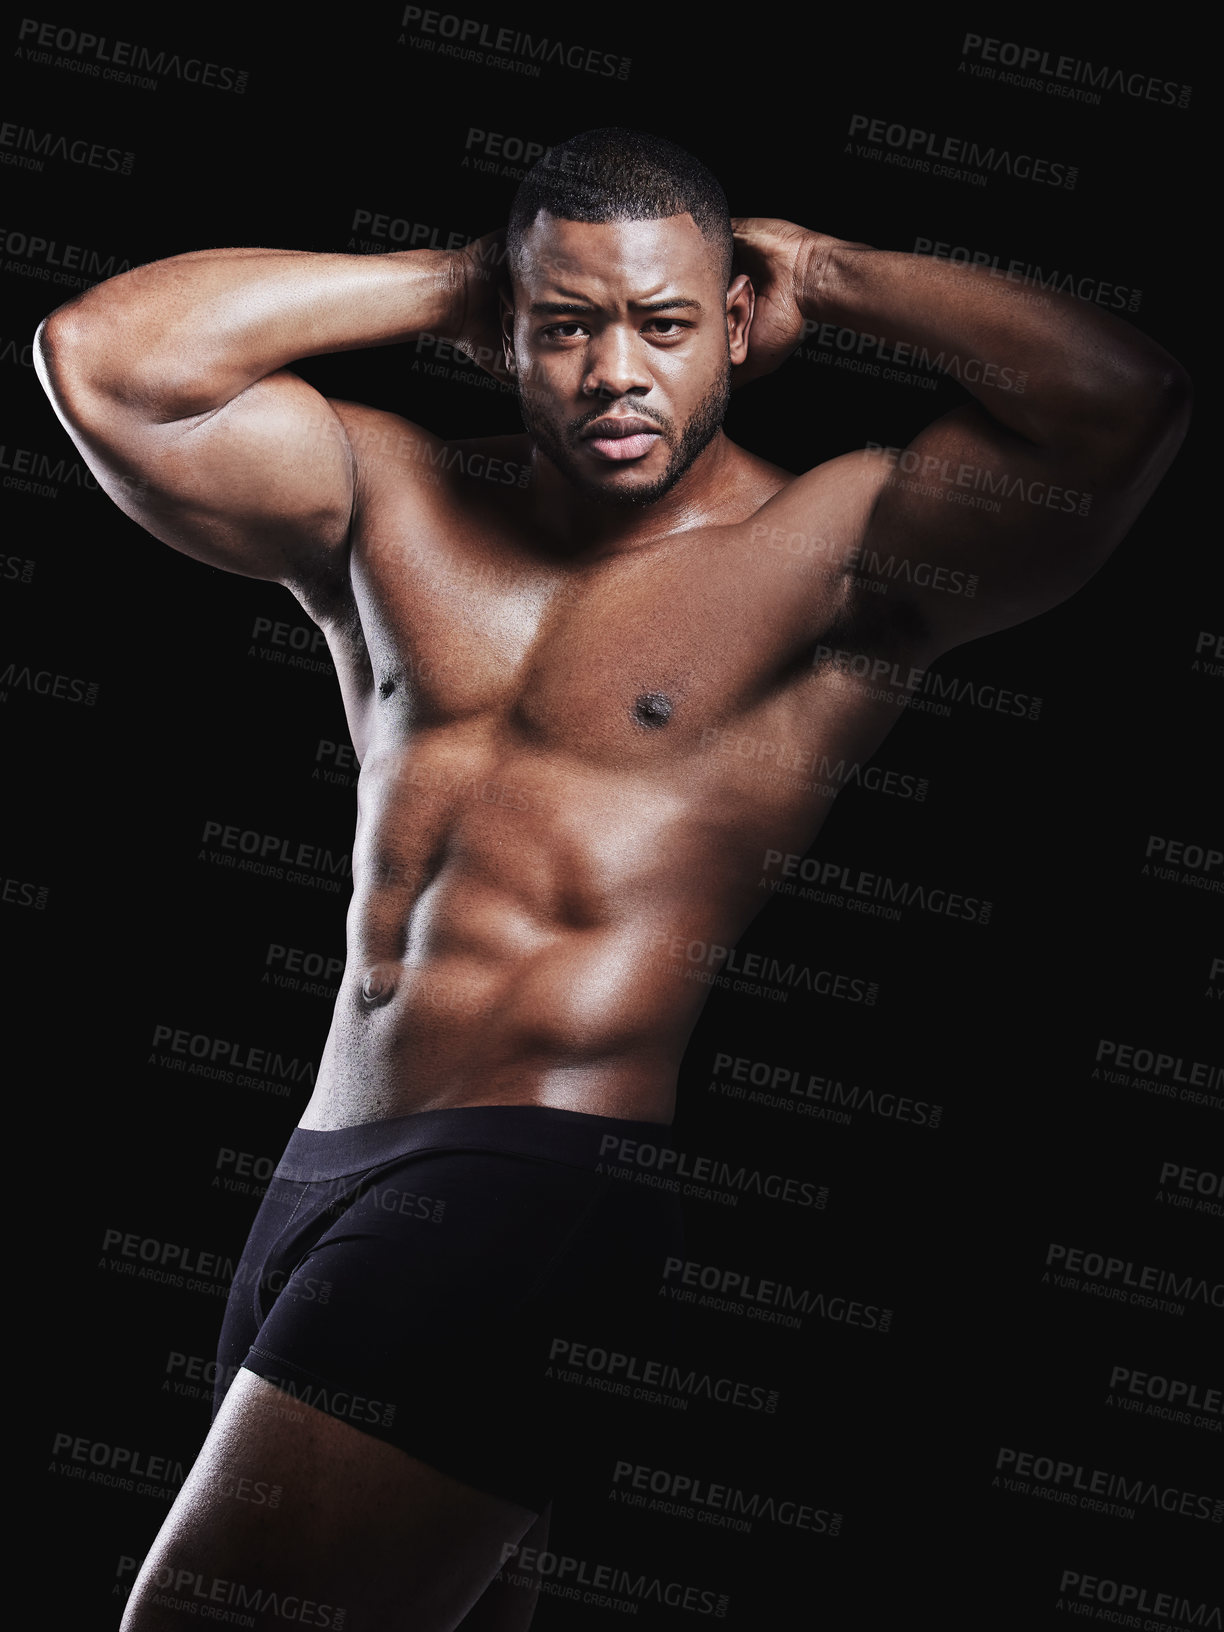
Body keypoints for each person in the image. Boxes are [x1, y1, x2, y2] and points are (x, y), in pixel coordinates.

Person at [36, 127, 1189, 1631]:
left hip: (525, 1190)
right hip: (322, 1178)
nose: (613, 374)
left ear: (735, 328)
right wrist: (455, 278)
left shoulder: (829, 543)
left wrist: (826, 274)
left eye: (661, 323)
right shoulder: (389, 504)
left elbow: (1118, 404)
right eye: (566, 327)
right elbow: (104, 356)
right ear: (507, 336)